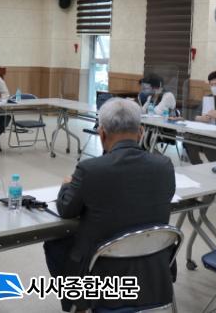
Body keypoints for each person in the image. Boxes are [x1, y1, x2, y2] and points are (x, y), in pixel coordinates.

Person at [43, 98, 176, 311]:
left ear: (102, 133)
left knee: (54, 243)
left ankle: (77, 304)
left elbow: (66, 209)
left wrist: (66, 185)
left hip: (102, 270)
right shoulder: (164, 165)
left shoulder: (90, 169)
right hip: (153, 268)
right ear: (141, 132)